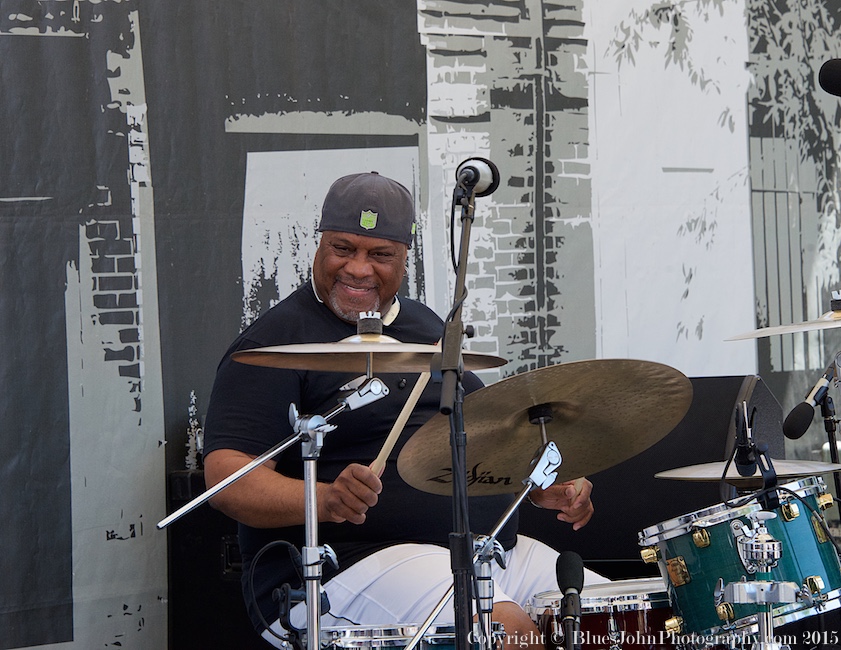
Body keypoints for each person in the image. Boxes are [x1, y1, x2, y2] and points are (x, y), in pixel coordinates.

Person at [202, 171, 600, 649]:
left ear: (405, 258)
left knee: (608, 615)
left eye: (379, 255)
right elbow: (228, 478)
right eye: (342, 248)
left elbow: (484, 433)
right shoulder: (274, 343)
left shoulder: (426, 326)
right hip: (343, 565)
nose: (357, 269)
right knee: (505, 631)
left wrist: (535, 486)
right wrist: (327, 499)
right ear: (320, 243)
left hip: (484, 548)